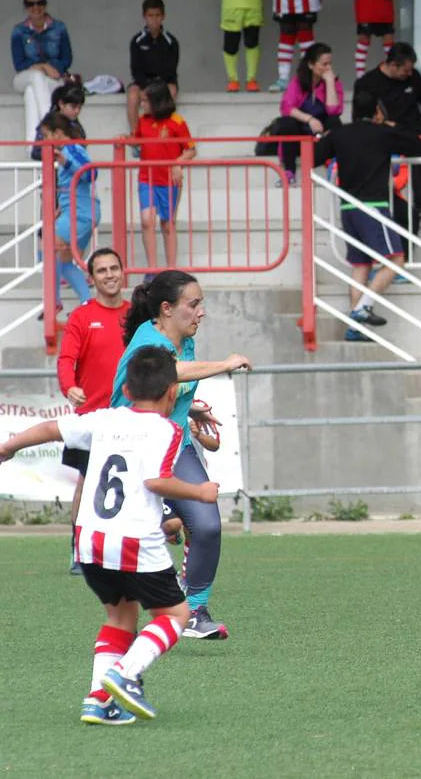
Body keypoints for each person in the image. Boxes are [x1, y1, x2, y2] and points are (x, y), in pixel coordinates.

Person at [0, 346, 218, 725]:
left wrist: (9, 446)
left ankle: (97, 701)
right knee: (177, 614)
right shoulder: (168, 429)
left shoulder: (102, 419)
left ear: (127, 390)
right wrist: (200, 493)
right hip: (133, 542)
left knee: (120, 618)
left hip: (89, 541)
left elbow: (53, 428)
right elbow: (154, 480)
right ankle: (125, 674)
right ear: (172, 392)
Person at [112, 270, 251, 640]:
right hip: (134, 449)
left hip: (175, 446)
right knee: (160, 530)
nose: (201, 312)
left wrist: (190, 410)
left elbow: (171, 383)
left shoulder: (184, 339)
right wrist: (225, 364)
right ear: (166, 309)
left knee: (206, 524)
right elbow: (168, 373)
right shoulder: (148, 341)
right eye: (194, 304)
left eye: (200, 303)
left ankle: (195, 609)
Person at [315, 90, 421, 340]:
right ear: (377, 111)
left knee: (361, 265)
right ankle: (362, 308)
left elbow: (312, 156)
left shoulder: (340, 134)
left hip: (347, 209)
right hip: (373, 206)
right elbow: (417, 144)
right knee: (395, 260)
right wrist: (390, 126)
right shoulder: (382, 133)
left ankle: (355, 328)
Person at [57, 247, 132, 576]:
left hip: (132, 416)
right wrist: (68, 386)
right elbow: (65, 360)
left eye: (114, 268)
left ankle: (128, 549)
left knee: (139, 481)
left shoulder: (137, 315)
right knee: (88, 484)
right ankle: (78, 549)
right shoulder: (82, 316)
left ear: (122, 271)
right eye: (102, 270)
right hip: (92, 416)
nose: (110, 275)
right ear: (91, 278)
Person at [354, 42, 421, 229]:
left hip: (413, 131)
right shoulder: (367, 82)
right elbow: (361, 117)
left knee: (417, 146)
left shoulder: (412, 76)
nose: (409, 74)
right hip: (384, 132)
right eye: (405, 71)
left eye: (411, 70)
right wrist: (385, 123)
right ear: (392, 65)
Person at [130, 81, 195, 269]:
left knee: (168, 224)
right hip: (146, 178)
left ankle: (171, 268)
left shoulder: (177, 121)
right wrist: (124, 140)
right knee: (147, 220)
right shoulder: (143, 120)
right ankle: (152, 269)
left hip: (169, 181)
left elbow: (190, 150)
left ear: (157, 102)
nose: (142, 105)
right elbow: (136, 140)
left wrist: (178, 163)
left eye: (145, 101)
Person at [40, 113, 97, 311]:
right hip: (75, 211)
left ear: (58, 133)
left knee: (45, 245)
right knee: (63, 260)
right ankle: (86, 303)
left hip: (80, 212)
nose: (44, 141)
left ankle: (54, 301)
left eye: (46, 135)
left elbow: (91, 173)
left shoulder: (72, 148)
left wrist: (66, 162)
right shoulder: (66, 150)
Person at [11, 0, 74, 143]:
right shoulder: (18, 31)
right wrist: (44, 66)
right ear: (26, 7)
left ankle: (32, 146)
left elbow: (67, 58)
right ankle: (51, 123)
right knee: (36, 77)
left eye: (40, 3)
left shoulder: (59, 28)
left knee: (31, 93)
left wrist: (53, 69)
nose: (36, 7)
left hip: (53, 78)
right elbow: (19, 65)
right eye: (31, 4)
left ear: (45, 4)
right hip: (24, 77)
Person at [274, 42, 343, 187]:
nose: (329, 68)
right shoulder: (298, 82)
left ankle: (332, 168)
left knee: (335, 121)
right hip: (300, 139)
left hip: (320, 141)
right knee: (286, 123)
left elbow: (334, 110)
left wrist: (330, 82)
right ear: (311, 65)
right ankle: (290, 171)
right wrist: (310, 119)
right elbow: (286, 107)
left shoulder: (333, 82)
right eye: (324, 64)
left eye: (330, 63)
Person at [126, 0, 180, 135]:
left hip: (164, 82)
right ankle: (135, 135)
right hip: (143, 82)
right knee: (132, 94)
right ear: (144, 16)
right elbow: (135, 69)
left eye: (157, 15)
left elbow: (171, 70)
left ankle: (165, 131)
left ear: (163, 17)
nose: (154, 19)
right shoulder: (137, 41)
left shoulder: (171, 41)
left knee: (172, 90)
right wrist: (146, 87)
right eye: (150, 15)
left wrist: (157, 88)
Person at [30, 78, 87, 161]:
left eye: (79, 107)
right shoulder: (49, 122)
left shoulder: (77, 126)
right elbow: (36, 152)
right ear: (61, 104)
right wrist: (57, 155)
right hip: (54, 170)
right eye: (73, 107)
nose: (77, 111)